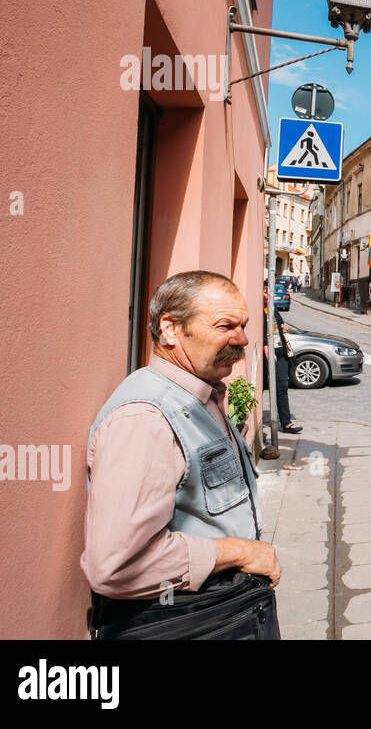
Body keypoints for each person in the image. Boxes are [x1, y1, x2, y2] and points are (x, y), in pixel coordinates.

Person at [83, 271, 281, 638]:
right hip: (187, 623)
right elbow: (116, 565)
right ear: (170, 329)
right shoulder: (145, 419)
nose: (242, 339)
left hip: (221, 615)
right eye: (225, 325)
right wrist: (240, 552)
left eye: (243, 325)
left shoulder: (202, 393)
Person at [264, 281, 301, 434]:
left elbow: (278, 324)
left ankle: (286, 423)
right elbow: (260, 330)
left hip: (281, 351)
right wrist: (266, 346)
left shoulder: (272, 308)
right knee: (262, 387)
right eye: (265, 292)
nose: (268, 295)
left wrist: (283, 327)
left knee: (282, 387)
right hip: (269, 352)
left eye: (269, 292)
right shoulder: (258, 310)